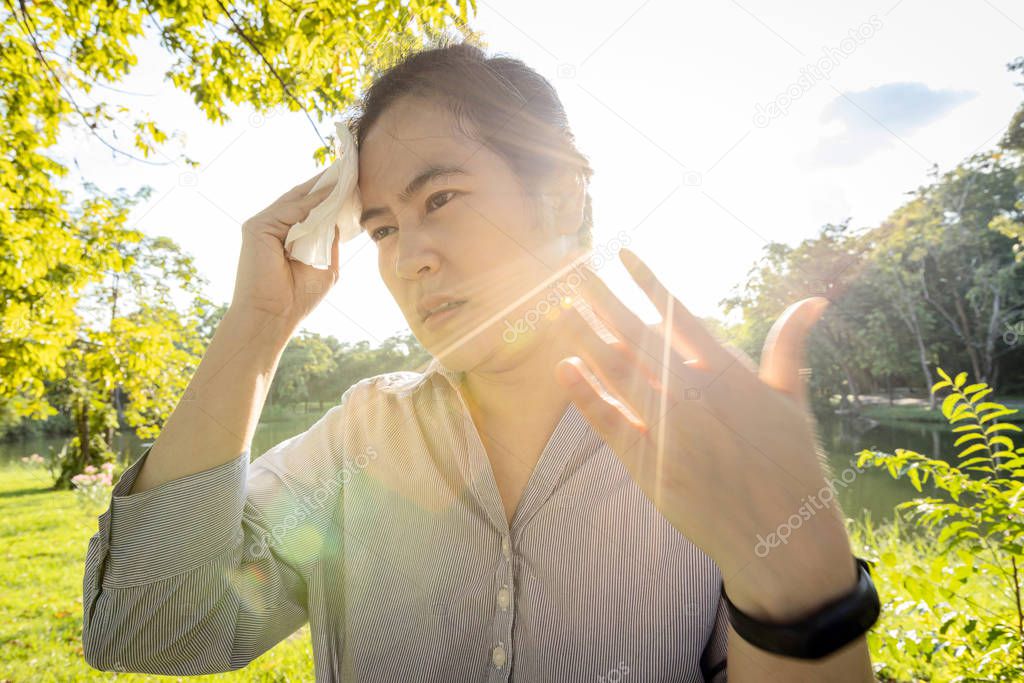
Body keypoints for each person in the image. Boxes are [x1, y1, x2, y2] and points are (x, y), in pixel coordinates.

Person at [81, 39, 876, 682]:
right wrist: (256, 325)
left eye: (441, 199)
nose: (409, 258)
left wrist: (802, 596)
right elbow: (148, 630)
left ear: (562, 197)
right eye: (384, 227)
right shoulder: (356, 443)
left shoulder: (696, 438)